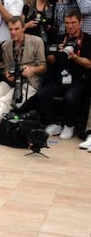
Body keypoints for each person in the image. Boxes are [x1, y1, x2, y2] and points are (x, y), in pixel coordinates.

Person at [36, 9, 91, 139]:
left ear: (80, 22)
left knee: (70, 97)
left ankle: (69, 125)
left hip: (79, 79)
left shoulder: (88, 39)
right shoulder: (60, 37)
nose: (70, 26)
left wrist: (74, 57)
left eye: (73, 22)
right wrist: (56, 52)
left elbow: (89, 64)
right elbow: (50, 59)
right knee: (42, 94)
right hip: (60, 77)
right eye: (67, 23)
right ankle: (53, 122)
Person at [0, 16, 46, 134]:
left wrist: (32, 69)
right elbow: (4, 67)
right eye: (11, 29)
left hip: (29, 82)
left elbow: (43, 67)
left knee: (5, 100)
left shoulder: (36, 41)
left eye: (16, 29)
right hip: (12, 81)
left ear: (23, 28)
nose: (13, 32)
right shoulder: (6, 45)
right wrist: (7, 73)